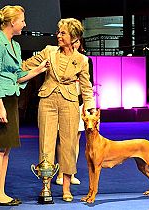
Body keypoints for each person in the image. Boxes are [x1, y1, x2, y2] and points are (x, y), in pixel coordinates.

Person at [22, 18, 96, 202]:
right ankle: (45, 186)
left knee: (69, 145)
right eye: (59, 32)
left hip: (70, 102)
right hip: (47, 100)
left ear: (74, 37)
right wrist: (9, 69)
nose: (58, 35)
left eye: (63, 33)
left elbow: (86, 88)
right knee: (45, 143)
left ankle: (66, 187)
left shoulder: (82, 60)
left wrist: (89, 108)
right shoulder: (49, 51)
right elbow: (27, 65)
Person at [0, 5, 49, 206]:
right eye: (22, 20)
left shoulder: (15, 46)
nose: (25, 24)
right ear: (12, 22)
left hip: (11, 98)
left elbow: (19, 77)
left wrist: (38, 69)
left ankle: (0, 192)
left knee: (6, 149)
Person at [55, 37, 94, 186]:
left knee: (75, 139)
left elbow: (88, 84)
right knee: (62, 139)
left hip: (79, 103)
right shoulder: (59, 58)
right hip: (63, 101)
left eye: (77, 41)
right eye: (72, 41)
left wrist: (87, 105)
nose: (74, 44)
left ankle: (70, 173)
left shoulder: (86, 60)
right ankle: (60, 173)